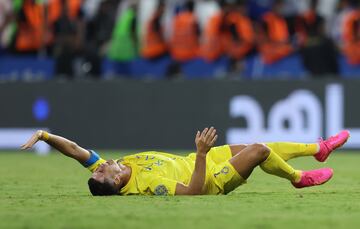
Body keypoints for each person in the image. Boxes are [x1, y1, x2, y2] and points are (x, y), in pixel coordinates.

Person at [21, 127, 350, 196]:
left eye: (104, 166)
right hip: (210, 177)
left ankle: (316, 148)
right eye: (108, 170)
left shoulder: (111, 169)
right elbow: (193, 193)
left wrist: (46, 136)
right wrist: (204, 155)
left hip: (196, 158)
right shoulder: (148, 186)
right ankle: (297, 177)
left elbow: (77, 150)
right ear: (117, 182)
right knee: (261, 150)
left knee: (256, 144)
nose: (105, 164)